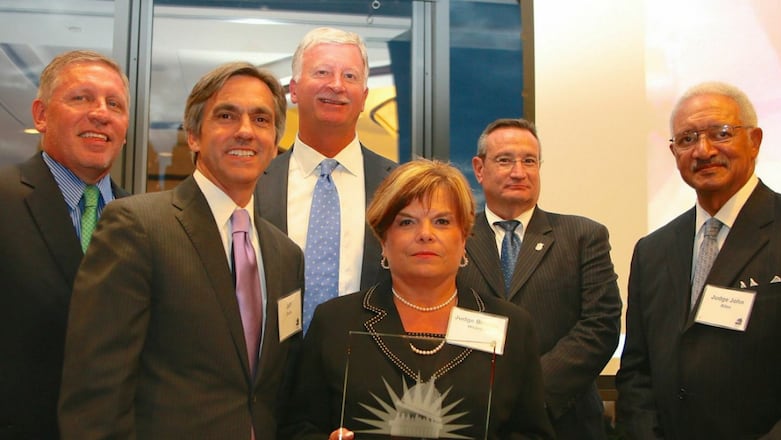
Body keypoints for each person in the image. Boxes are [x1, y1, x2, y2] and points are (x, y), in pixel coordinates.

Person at [58, 62, 304, 439]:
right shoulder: (136, 227)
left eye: (261, 119)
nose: (245, 131)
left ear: (274, 144)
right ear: (193, 136)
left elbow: (274, 391)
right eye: (226, 116)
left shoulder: (286, 255)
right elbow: (96, 394)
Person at [281, 159, 555, 440]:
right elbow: (299, 428)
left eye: (442, 222)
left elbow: (533, 433)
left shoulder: (512, 327)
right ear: (383, 240)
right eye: (407, 222)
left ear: (463, 238)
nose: (425, 234)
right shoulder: (335, 322)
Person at [616, 81, 781, 439]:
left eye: (721, 133)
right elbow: (637, 372)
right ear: (673, 151)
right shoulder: (652, 251)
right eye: (687, 139)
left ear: (754, 141)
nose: (704, 150)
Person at [457, 118, 622, 438]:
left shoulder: (583, 236)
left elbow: (600, 326)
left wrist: (527, 392)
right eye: (505, 160)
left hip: (564, 420)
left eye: (529, 161)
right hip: (472, 417)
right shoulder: (456, 237)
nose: (519, 172)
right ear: (479, 169)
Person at [0, 49, 129, 439]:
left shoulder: (144, 221)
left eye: (114, 104)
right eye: (81, 98)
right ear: (41, 115)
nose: (101, 113)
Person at [256, 26, 396, 331]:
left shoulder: (398, 186)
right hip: (274, 357)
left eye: (350, 76)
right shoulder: (255, 184)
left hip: (367, 356)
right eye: (322, 72)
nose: (336, 85)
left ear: (364, 97)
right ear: (294, 90)